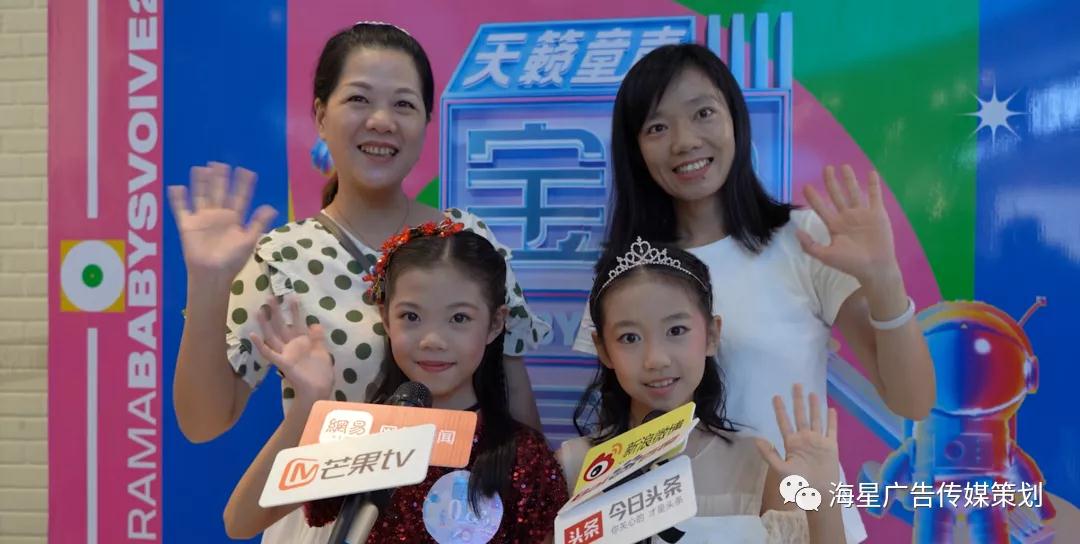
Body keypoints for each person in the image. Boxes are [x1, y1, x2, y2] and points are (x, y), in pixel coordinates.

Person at [572, 43, 936, 542]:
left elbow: (913, 401)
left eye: (703, 113)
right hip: (677, 528)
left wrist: (884, 281)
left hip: (810, 519)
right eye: (657, 127)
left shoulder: (803, 241)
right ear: (635, 148)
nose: (684, 141)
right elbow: (620, 418)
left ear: (736, 122)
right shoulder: (628, 271)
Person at [167, 22, 548, 451]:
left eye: (403, 104)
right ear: (321, 116)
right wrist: (207, 284)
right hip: (329, 493)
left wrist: (536, 486)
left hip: (466, 493)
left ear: (427, 121)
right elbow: (203, 422)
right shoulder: (281, 258)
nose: (381, 121)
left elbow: (514, 401)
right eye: (358, 99)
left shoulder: (469, 239)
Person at [223, 223, 568, 542]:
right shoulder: (364, 438)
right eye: (411, 316)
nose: (432, 339)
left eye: (459, 318)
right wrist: (307, 405)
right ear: (385, 318)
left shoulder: (524, 455)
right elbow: (241, 521)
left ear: (494, 324)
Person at [559, 239, 843, 543]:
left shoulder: (757, 462)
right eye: (630, 338)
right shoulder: (574, 464)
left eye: (676, 331)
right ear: (603, 348)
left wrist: (824, 501)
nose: (656, 359)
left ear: (711, 335)